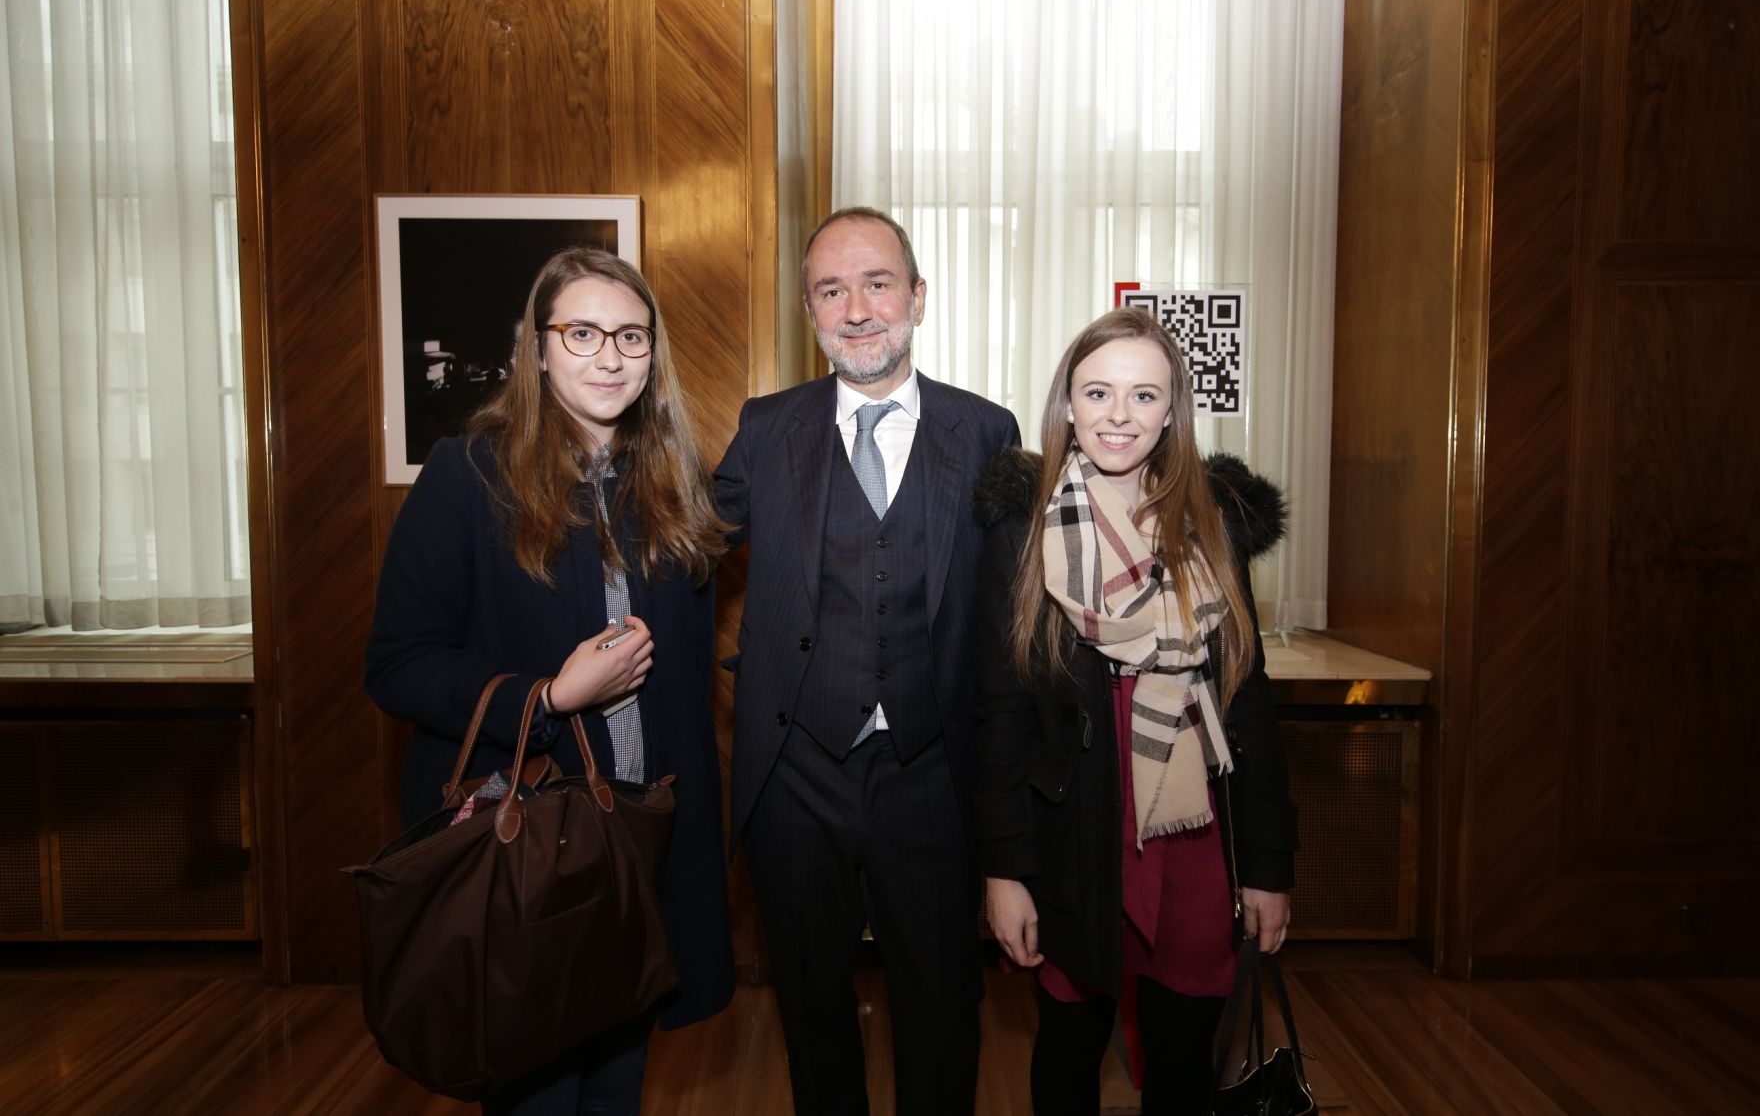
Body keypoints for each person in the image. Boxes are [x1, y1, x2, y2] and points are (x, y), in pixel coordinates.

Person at [364, 246, 734, 1115]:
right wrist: (551, 697)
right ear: (536, 348)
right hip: (529, 847)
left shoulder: (672, 483)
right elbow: (397, 664)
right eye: (583, 333)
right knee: (536, 1089)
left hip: (638, 839)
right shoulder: (466, 475)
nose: (610, 356)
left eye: (631, 336)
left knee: (616, 1083)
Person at [713, 207, 1020, 1115]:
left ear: (918, 297)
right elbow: (681, 543)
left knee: (942, 1003)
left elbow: (1017, 609)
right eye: (831, 290)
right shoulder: (767, 428)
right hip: (796, 766)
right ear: (810, 309)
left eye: (877, 284)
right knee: (811, 1005)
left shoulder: (986, 432)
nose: (855, 309)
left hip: (932, 768)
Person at [971, 306, 1297, 1115]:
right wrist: (1005, 869)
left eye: (1144, 395)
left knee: (1183, 1059)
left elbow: (1249, 702)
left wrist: (1267, 866)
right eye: (1098, 392)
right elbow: (1000, 714)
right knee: (1069, 1049)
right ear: (1067, 403)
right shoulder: (1024, 528)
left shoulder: (1214, 523)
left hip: (1193, 834)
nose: (1119, 414)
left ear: (1171, 409)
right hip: (1076, 831)